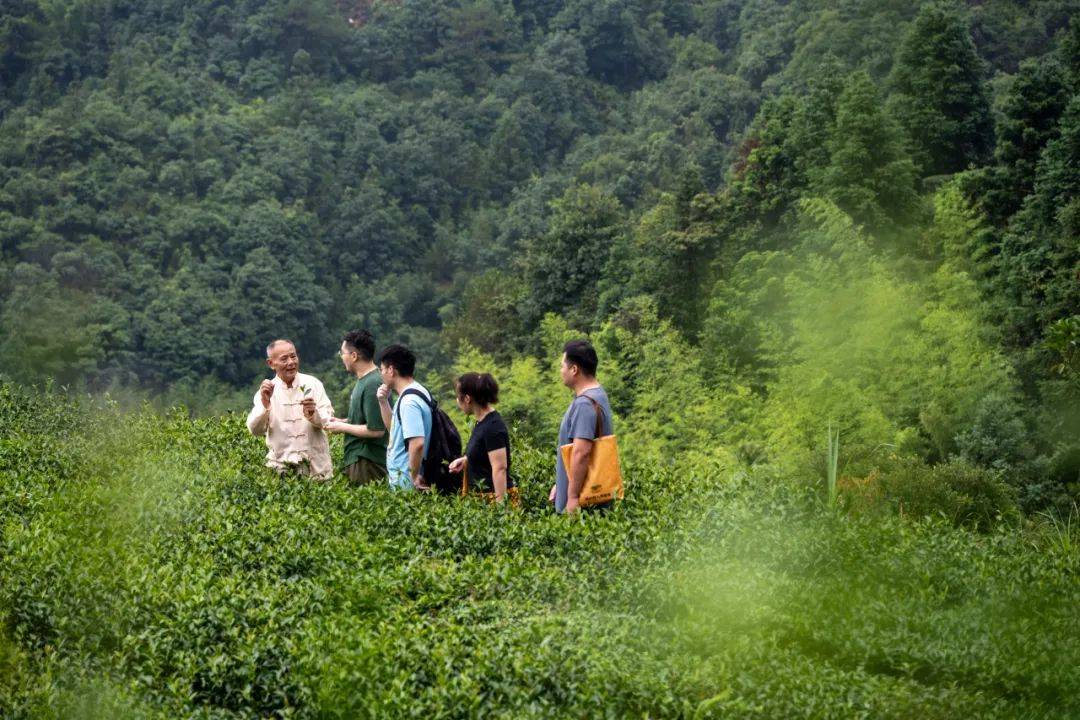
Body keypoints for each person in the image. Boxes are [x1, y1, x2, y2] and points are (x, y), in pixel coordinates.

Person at [246, 338, 334, 480]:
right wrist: (265, 405)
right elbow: (255, 430)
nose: (291, 362)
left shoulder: (313, 384)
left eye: (293, 356)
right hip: (281, 470)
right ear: (271, 363)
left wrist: (313, 414)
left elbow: (329, 422)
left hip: (316, 469)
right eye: (284, 359)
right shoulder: (265, 392)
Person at [550, 339, 614, 514]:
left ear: (574, 369)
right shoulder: (598, 394)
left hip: (584, 505)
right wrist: (561, 483)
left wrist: (572, 498)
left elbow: (582, 452)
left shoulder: (584, 404)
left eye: (562, 366)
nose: (560, 371)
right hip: (594, 495)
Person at [324, 330, 388, 485]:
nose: (341, 357)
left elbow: (376, 430)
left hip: (367, 461)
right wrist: (343, 421)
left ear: (354, 356)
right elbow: (365, 418)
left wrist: (342, 427)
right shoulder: (364, 381)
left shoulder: (373, 383)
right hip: (359, 458)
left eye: (342, 353)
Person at [448, 372, 517, 506]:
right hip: (482, 499)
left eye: (458, 397)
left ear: (467, 398)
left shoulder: (493, 426)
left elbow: (500, 468)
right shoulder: (481, 422)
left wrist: (501, 507)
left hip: (493, 500)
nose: (457, 401)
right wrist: (466, 460)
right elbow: (485, 452)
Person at [376, 344, 433, 492]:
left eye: (381, 369)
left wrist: (412, 478)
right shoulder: (417, 391)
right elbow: (394, 429)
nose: (381, 374)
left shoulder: (409, 402)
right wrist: (383, 402)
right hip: (404, 480)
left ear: (391, 370)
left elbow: (417, 443)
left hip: (406, 484)